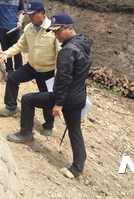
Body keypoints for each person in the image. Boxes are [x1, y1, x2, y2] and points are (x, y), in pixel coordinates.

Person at [6, 14, 93, 178]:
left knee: (27, 99)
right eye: (53, 32)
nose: (56, 35)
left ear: (70, 28)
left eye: (58, 32)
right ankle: (77, 167)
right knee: (75, 130)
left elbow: (64, 79)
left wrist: (59, 103)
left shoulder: (67, 51)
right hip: (79, 96)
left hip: (66, 97)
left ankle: (26, 134)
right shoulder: (83, 44)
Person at [0, 0, 61, 137]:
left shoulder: (52, 29)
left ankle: (48, 125)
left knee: (47, 99)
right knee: (12, 78)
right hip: (31, 67)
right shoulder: (29, 28)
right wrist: (7, 53)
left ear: (41, 13)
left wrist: (59, 70)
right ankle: (11, 107)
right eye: (29, 14)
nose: (30, 17)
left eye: (33, 14)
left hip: (47, 71)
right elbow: (20, 45)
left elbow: (60, 51)